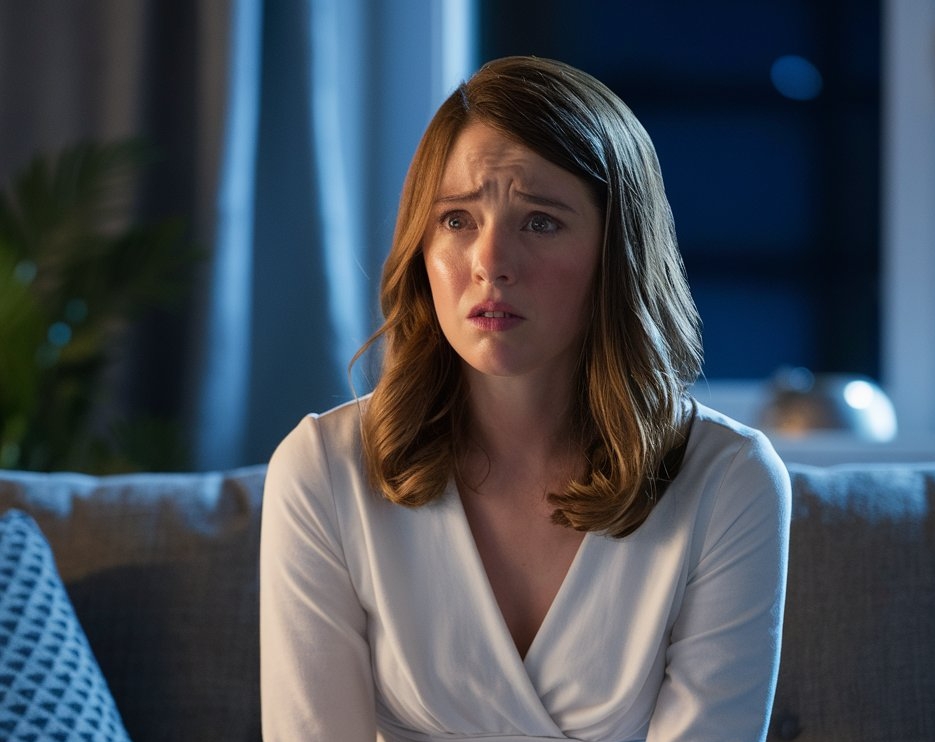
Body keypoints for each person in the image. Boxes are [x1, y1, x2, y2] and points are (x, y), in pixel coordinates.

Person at [260, 56, 791, 742]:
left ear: (616, 254)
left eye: (539, 221)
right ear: (420, 248)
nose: (489, 261)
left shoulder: (727, 481)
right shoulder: (322, 472)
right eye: (455, 219)